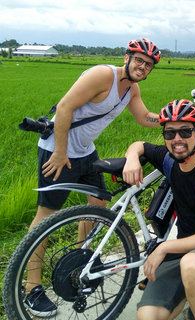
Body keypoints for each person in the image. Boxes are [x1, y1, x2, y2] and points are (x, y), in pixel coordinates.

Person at [24, 38, 162, 317]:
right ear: (127, 57)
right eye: (139, 60)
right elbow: (64, 107)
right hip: (58, 151)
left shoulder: (131, 90)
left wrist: (176, 117)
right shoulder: (103, 75)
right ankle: (31, 288)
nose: (142, 66)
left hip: (86, 153)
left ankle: (80, 261)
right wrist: (61, 153)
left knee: (98, 208)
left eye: (148, 65)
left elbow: (144, 117)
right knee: (46, 216)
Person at [122, 100, 195, 320]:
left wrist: (164, 248)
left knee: (192, 266)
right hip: (184, 251)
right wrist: (131, 159)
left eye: (185, 131)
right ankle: (193, 291)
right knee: (147, 317)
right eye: (170, 133)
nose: (177, 139)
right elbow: (139, 145)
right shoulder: (169, 160)